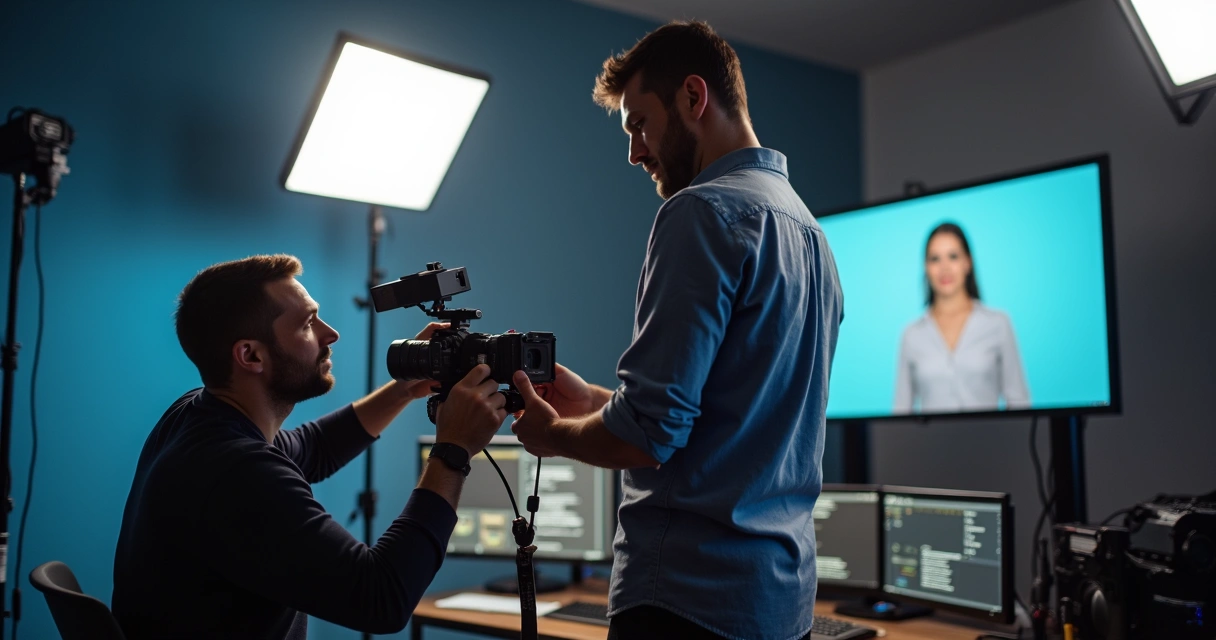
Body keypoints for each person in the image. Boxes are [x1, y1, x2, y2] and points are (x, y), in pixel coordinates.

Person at [509, 21, 844, 640]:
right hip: (779, 606)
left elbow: (649, 438)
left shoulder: (700, 211)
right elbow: (732, 419)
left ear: (694, 98)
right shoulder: (812, 236)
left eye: (639, 123)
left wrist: (554, 433)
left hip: (686, 604)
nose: (635, 151)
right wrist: (596, 405)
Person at [112, 254, 509, 639]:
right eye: (307, 324)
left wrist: (405, 388)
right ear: (251, 354)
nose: (330, 333)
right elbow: (382, 598)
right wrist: (453, 451)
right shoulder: (235, 470)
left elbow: (312, 449)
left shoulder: (197, 417)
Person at [894, 222, 1029, 413]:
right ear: (926, 267)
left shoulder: (998, 323)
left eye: (953, 257)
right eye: (935, 259)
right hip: (929, 442)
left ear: (967, 262)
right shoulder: (911, 334)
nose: (944, 268)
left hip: (992, 440)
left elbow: (1019, 402)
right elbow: (901, 411)